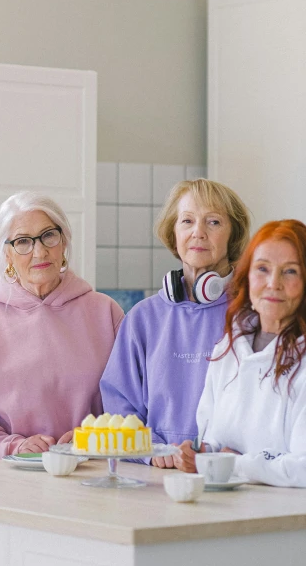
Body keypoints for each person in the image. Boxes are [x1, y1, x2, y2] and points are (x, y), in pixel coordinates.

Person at [175, 219, 306, 491]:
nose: (273, 283)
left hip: (298, 528)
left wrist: (238, 465)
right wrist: (201, 453)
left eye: (290, 272)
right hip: (234, 520)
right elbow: (217, 442)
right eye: (262, 269)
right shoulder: (228, 352)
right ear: (246, 277)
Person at [0, 191, 124, 461]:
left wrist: (97, 434)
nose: (40, 251)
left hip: (95, 470)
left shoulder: (105, 312)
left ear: (64, 242)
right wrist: (13, 447)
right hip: (15, 475)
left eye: (49, 235)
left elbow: (134, 398)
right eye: (23, 241)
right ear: (8, 254)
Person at [100, 178, 250, 467]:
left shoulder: (251, 315)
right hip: (155, 474)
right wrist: (152, 451)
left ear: (233, 235)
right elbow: (119, 406)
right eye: (187, 221)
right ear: (173, 233)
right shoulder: (142, 318)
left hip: (228, 472)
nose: (198, 233)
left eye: (214, 222)